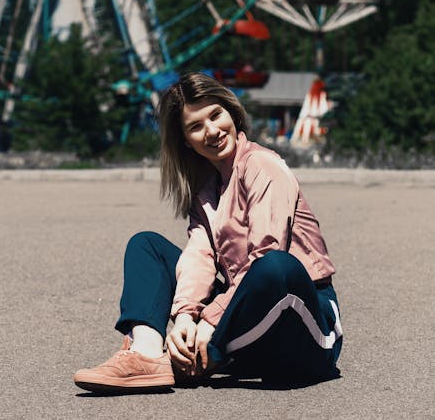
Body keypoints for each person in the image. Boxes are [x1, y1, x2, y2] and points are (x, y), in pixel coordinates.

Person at [74, 72, 342, 393]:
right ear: (186, 140)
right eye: (196, 126)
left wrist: (212, 318)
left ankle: (193, 360)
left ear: (231, 112)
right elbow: (199, 258)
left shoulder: (261, 165)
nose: (212, 131)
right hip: (247, 333)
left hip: (303, 329)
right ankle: (144, 354)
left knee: (275, 267)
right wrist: (186, 316)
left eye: (215, 115)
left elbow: (267, 257)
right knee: (148, 245)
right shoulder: (206, 192)